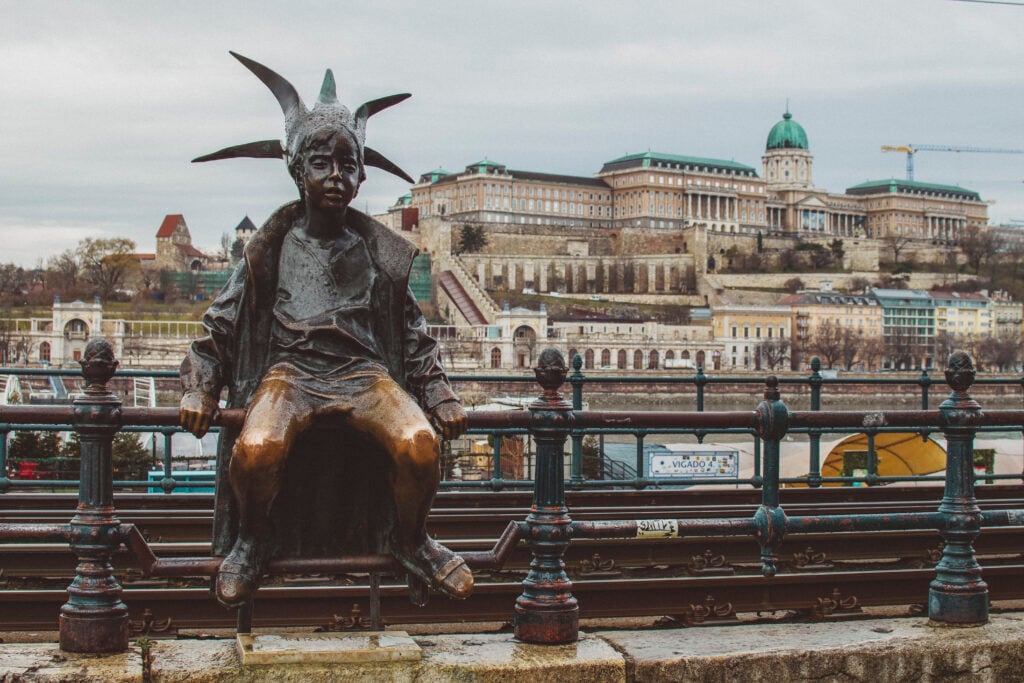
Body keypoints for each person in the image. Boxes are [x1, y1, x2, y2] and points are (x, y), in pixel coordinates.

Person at [179, 52, 472, 608]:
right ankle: (251, 540)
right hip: (289, 376)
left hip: (365, 375)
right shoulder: (271, 250)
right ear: (298, 172)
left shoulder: (377, 255)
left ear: (361, 177)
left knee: (418, 445)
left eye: (347, 165)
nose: (335, 176)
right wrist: (200, 386)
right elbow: (217, 326)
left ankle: (413, 541)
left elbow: (413, 336)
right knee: (258, 447)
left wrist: (438, 394)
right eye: (321, 163)